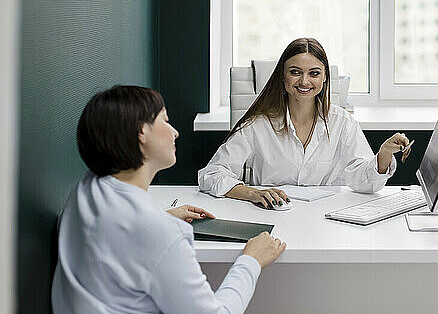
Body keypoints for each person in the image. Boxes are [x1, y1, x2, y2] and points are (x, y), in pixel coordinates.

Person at [52, 85, 286, 313]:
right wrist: (251, 260)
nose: (175, 131)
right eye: (165, 120)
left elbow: (119, 233)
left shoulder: (85, 189)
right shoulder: (160, 233)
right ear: (141, 132)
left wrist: (160, 218)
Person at [198, 37, 413, 209]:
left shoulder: (342, 123)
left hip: (326, 222)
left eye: (314, 73)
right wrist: (252, 193)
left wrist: (384, 154)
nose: (304, 81)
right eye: (295, 72)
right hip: (273, 219)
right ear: (282, 77)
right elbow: (211, 175)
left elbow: (365, 182)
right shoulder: (259, 125)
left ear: (325, 78)